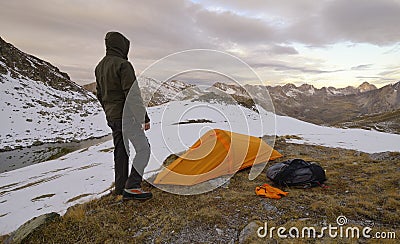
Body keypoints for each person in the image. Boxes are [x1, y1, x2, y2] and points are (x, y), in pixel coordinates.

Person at [95, 31, 152, 200]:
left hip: (112, 118)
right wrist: (144, 118)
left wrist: (108, 113)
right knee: (144, 149)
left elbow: (100, 94)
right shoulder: (123, 65)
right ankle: (133, 186)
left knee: (121, 151)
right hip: (126, 118)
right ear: (122, 46)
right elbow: (132, 94)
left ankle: (120, 188)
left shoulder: (100, 66)